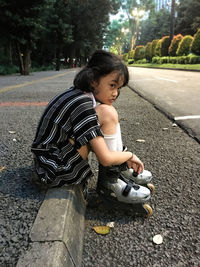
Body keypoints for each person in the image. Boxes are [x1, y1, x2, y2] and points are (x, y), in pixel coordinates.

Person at [31, 50, 152, 204]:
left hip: (45, 160)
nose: (115, 93)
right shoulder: (83, 105)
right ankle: (111, 181)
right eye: (112, 85)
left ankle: (116, 172)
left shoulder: (79, 94)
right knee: (107, 113)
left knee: (106, 113)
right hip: (51, 169)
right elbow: (105, 158)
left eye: (118, 88)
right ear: (93, 80)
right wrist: (129, 155)